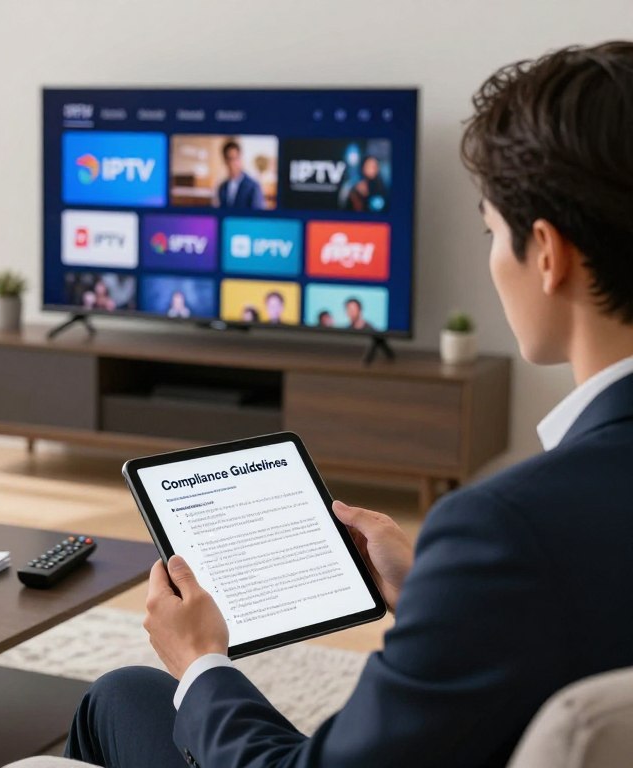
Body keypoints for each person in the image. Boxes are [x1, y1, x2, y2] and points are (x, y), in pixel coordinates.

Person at [62, 42, 633, 768]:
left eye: (492, 232)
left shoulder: (505, 530)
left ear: (547, 255)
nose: (494, 257)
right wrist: (436, 595)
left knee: (125, 694)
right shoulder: (518, 540)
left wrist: (202, 659)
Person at [216, 139, 265, 210]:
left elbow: (257, 216)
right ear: (225, 161)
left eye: (236, 158)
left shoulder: (253, 186)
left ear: (241, 159)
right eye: (230, 159)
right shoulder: (222, 187)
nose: (233, 163)